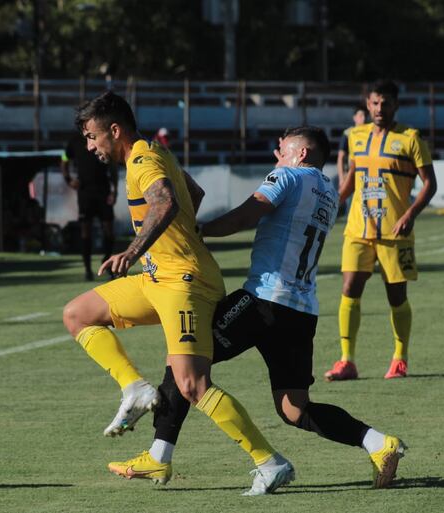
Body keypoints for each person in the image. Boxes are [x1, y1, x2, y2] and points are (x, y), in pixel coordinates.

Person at [108, 126, 407, 489]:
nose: (276, 154)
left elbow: (248, 215)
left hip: (264, 301)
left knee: (184, 361)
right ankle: (378, 442)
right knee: (294, 409)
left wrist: (199, 231)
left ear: (301, 154)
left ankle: (159, 456)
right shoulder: (328, 191)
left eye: (282, 148)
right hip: (302, 311)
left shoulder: (287, 175)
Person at [62, 91, 294, 496]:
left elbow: (167, 201)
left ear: (114, 130)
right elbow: (194, 194)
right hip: (158, 279)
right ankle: (134, 388)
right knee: (77, 314)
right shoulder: (154, 151)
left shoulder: (142, 158)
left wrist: (133, 251)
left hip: (185, 282)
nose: (89, 146)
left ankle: (269, 461)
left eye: (92, 136)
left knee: (192, 384)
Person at [324, 80, 437, 381]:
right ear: (367, 105)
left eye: (385, 103)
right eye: (374, 103)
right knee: (349, 289)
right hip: (358, 228)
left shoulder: (411, 138)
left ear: (395, 105)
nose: (379, 108)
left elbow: (430, 184)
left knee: (396, 296)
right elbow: (351, 177)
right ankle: (347, 360)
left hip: (394, 231)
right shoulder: (356, 136)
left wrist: (411, 214)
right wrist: (336, 201)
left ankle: (400, 357)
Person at [61, 130, 118, 281]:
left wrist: (115, 190)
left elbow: (112, 165)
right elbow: (64, 157)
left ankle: (107, 262)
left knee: (109, 230)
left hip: (103, 191)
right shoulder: (74, 141)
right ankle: (87, 269)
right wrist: (68, 178)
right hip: (85, 193)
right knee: (85, 231)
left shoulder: (101, 137)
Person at [336, 106, 369, 216]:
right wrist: (341, 178)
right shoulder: (349, 133)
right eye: (360, 115)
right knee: (352, 203)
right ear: (354, 118)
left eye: (365, 115)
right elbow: (341, 157)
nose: (363, 118)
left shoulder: (371, 132)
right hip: (352, 174)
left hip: (366, 175)